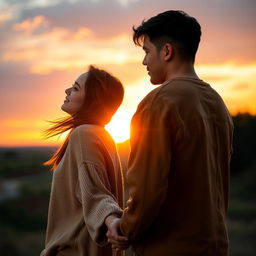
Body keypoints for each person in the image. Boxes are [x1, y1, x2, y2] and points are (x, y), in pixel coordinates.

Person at [106, 10, 234, 256]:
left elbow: (147, 188)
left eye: (146, 52)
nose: (144, 62)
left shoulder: (158, 103)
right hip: (215, 246)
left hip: (170, 248)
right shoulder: (218, 103)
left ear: (166, 51)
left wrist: (124, 228)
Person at [40, 65, 125, 256]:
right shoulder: (103, 135)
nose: (67, 90)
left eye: (76, 88)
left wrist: (112, 220)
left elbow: (95, 192)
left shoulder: (84, 133)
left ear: (92, 101)